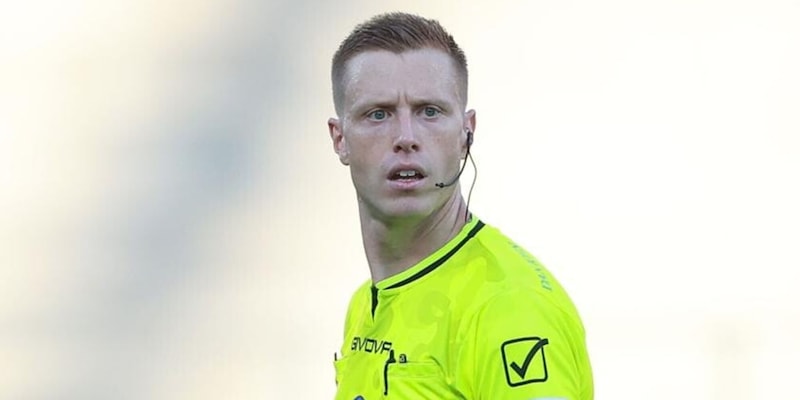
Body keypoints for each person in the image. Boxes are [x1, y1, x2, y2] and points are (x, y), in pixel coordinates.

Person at [327, 12, 593, 400]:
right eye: (378, 114)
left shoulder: (509, 306)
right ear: (340, 139)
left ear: (467, 134)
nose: (405, 137)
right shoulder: (363, 304)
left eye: (429, 111)